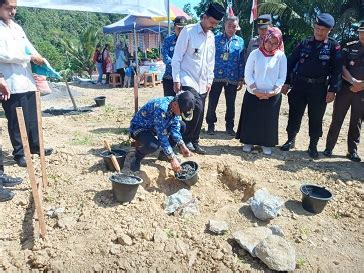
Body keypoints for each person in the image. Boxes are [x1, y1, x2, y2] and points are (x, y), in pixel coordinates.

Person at [280, 13, 342, 159]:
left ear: (329, 31)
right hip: (299, 85)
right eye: (317, 28)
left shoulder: (334, 46)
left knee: (316, 117)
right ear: (314, 27)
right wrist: (286, 82)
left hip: (319, 88)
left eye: (323, 30)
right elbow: (291, 63)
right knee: (294, 114)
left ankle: (313, 145)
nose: (319, 32)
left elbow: (337, 70)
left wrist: (333, 89)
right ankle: (290, 140)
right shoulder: (304, 43)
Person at [0, 0, 53, 167]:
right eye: (9, 8)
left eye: (15, 8)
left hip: (26, 79)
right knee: (16, 120)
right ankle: (20, 154)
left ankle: (36, 146)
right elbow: (3, 55)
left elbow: (28, 47)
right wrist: (28, 58)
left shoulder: (17, 27)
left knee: (32, 116)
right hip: (10, 81)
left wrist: (40, 58)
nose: (13, 11)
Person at [171, 2, 225, 154]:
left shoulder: (211, 37)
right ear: (205, 17)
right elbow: (177, 58)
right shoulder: (188, 31)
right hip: (187, 77)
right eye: (211, 22)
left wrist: (209, 80)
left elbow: (211, 61)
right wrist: (176, 79)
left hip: (203, 82)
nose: (213, 26)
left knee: (200, 112)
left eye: (216, 24)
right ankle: (184, 140)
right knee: (195, 107)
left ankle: (194, 141)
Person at [236, 27, 287, 155]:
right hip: (253, 93)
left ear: (279, 43)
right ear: (264, 40)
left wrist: (273, 91)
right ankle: (248, 141)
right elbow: (248, 74)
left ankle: (266, 143)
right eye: (269, 42)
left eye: (275, 43)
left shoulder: (281, 56)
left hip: (272, 95)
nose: (271, 45)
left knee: (268, 120)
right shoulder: (255, 54)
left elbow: (282, 77)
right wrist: (255, 90)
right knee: (251, 118)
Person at [324, 21, 364, 162]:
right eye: (361, 32)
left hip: (362, 93)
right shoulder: (350, 47)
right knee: (337, 119)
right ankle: (329, 147)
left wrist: (361, 85)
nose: (363, 35)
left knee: (356, 121)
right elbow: (341, 67)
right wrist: (353, 81)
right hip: (346, 89)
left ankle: (352, 151)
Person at [129, 91, 195, 172]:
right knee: (153, 145)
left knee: (182, 126)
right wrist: (172, 158)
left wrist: (182, 145)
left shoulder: (176, 102)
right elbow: (162, 137)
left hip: (155, 127)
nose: (180, 115)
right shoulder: (161, 109)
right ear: (175, 105)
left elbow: (175, 127)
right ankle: (137, 158)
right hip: (140, 128)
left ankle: (164, 155)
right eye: (181, 113)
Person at [206, 16, 244, 136]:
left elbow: (241, 60)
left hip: (232, 77)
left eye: (234, 26)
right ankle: (210, 125)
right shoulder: (214, 39)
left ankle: (229, 127)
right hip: (216, 76)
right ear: (224, 25)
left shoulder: (240, 41)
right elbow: (208, 57)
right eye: (229, 26)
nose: (231, 28)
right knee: (212, 102)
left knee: (231, 104)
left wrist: (241, 78)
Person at [162, 16, 188, 96]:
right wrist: (175, 64)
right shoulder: (168, 40)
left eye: (183, 29)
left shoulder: (189, 40)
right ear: (174, 27)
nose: (180, 31)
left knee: (184, 104)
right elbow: (165, 57)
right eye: (178, 28)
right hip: (170, 77)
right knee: (169, 103)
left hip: (185, 78)